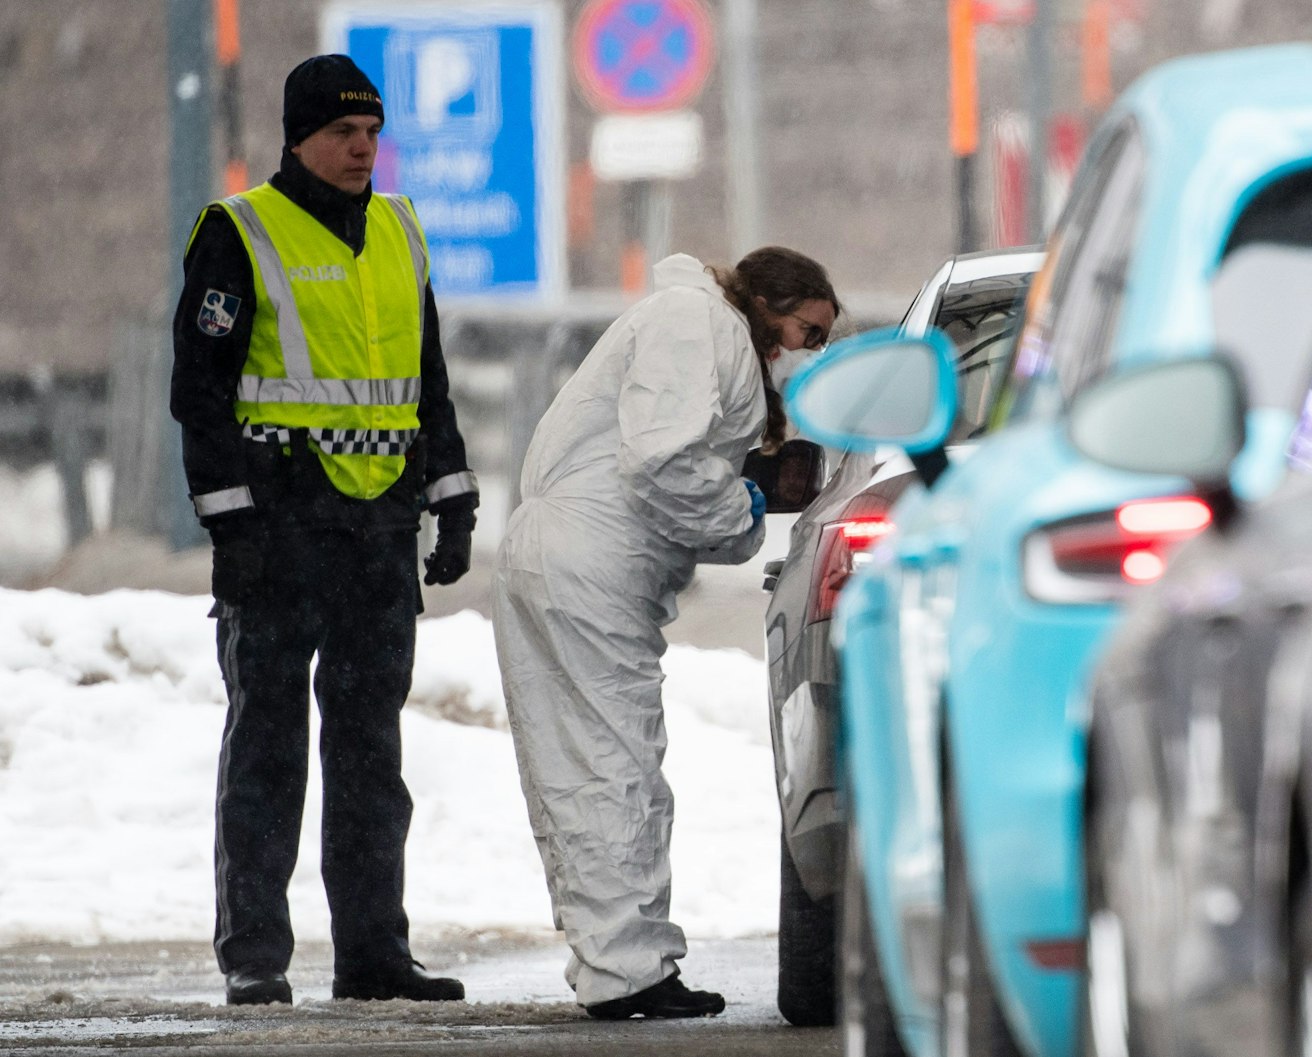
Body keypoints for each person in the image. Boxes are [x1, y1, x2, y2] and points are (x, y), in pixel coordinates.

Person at [169, 54, 478, 1007]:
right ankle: (255, 953)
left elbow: (425, 380)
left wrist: (453, 493)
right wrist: (231, 524)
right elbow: (201, 394)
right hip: (278, 529)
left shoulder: (400, 231)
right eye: (344, 133)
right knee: (267, 747)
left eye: (373, 132)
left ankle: (373, 952)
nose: (362, 149)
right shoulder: (240, 233)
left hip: (376, 529)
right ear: (298, 137)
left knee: (370, 753)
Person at [494, 247, 838, 1019]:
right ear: (768, 305)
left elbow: (671, 474)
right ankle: (629, 969)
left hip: (575, 558)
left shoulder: (704, 335)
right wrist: (742, 507)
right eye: (808, 329)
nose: (811, 352)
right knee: (615, 763)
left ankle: (615, 962)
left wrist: (740, 502)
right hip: (591, 564)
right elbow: (662, 463)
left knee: (582, 768)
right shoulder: (698, 322)